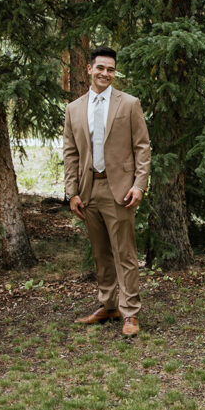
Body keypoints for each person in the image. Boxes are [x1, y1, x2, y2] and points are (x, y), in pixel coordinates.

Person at [63, 46, 151, 338]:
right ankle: (108, 305)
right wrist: (72, 192)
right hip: (88, 190)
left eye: (111, 69)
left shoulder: (129, 104)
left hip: (121, 190)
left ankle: (130, 312)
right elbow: (71, 153)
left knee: (124, 253)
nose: (105, 73)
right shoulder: (74, 109)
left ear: (115, 72)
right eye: (100, 68)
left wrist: (139, 185)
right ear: (89, 69)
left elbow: (142, 147)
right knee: (101, 253)